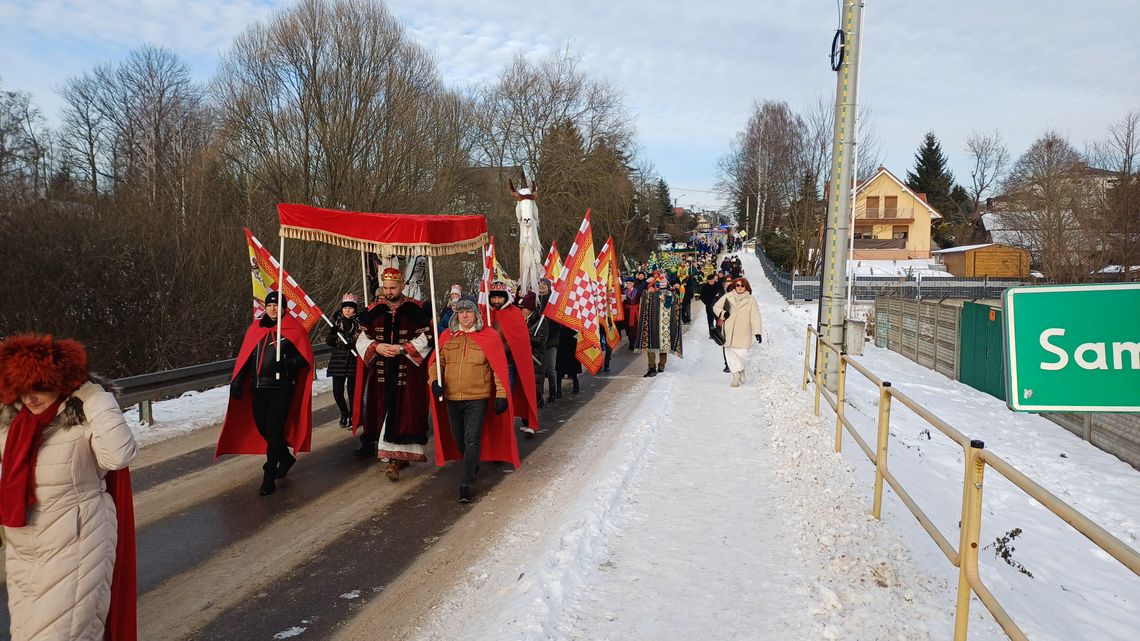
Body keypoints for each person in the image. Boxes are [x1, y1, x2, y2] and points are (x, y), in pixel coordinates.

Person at [0, 334, 139, 641]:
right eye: (23, 389)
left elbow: (120, 455)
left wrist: (96, 396)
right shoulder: (13, 425)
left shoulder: (85, 420)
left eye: (41, 388)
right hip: (24, 550)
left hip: (77, 542)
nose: (31, 398)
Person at [221, 290, 316, 496]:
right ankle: (285, 457)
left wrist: (288, 362)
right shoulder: (256, 329)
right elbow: (246, 358)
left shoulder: (293, 330)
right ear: (265, 307)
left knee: (274, 431)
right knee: (262, 427)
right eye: (270, 305)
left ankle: (269, 475)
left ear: (284, 308)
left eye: (277, 305)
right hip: (258, 387)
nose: (273, 309)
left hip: (281, 388)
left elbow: (305, 358)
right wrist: (237, 382)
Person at [427, 299, 517, 503]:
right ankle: (472, 462)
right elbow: (436, 364)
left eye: (469, 312)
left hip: (477, 398)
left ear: (476, 314)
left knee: (471, 439)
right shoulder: (447, 337)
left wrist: (502, 394)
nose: (465, 316)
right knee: (459, 438)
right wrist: (434, 381)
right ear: (456, 315)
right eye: (461, 312)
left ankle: (465, 483)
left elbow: (498, 369)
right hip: (452, 397)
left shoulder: (489, 337)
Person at [354, 267, 434, 481]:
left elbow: (427, 338)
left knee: (407, 412)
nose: (389, 292)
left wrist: (402, 348)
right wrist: (376, 347)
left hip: (408, 373)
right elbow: (360, 339)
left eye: (393, 288)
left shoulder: (417, 310)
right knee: (383, 410)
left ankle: (399, 457)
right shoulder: (372, 312)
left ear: (402, 286)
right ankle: (392, 459)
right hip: (381, 372)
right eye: (386, 288)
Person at [488, 282, 539, 436]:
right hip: (488, 364)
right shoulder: (487, 314)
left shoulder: (515, 313)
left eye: (499, 298)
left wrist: (498, 347)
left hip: (507, 363)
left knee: (504, 397)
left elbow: (518, 342)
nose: (496, 301)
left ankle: (506, 430)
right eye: (494, 298)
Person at [713, 277, 764, 387]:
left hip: (743, 332)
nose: (740, 287)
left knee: (742, 354)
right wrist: (723, 313)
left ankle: (741, 369)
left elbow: (755, 316)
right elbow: (716, 307)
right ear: (734, 286)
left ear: (746, 287)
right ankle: (735, 377)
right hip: (728, 331)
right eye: (738, 285)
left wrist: (757, 332)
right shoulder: (728, 296)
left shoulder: (751, 299)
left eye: (742, 285)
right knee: (730, 356)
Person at [635, 276, 684, 377]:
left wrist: (646, 283)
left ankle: (652, 368)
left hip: (653, 326)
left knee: (651, 347)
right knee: (664, 348)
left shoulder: (652, 295)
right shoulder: (673, 296)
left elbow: (640, 292)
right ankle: (661, 367)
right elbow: (678, 308)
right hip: (666, 328)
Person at [326, 293, 361, 428]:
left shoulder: (359, 324)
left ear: (355, 310)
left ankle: (353, 415)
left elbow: (363, 340)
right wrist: (333, 333)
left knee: (352, 392)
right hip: (338, 360)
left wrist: (353, 345)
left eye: (350, 308)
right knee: (337, 392)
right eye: (345, 307)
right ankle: (344, 412)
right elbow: (330, 342)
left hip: (353, 360)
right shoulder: (335, 323)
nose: (347, 310)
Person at [533, 278, 560, 404]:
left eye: (544, 284)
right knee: (539, 370)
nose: (542, 286)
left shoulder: (553, 301)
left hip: (550, 341)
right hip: (537, 342)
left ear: (549, 287)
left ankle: (553, 390)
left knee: (551, 369)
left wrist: (547, 331)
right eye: (540, 284)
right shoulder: (535, 300)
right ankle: (539, 396)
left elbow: (557, 322)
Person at [699, 272, 725, 339]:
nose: (711, 281)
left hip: (718, 306)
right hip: (709, 306)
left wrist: (719, 296)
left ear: (714, 279)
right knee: (710, 321)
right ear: (708, 280)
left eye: (712, 279)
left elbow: (723, 293)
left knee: (718, 320)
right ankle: (712, 334)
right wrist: (706, 302)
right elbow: (701, 296)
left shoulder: (718, 285)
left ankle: (719, 333)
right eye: (709, 280)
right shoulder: (705, 286)